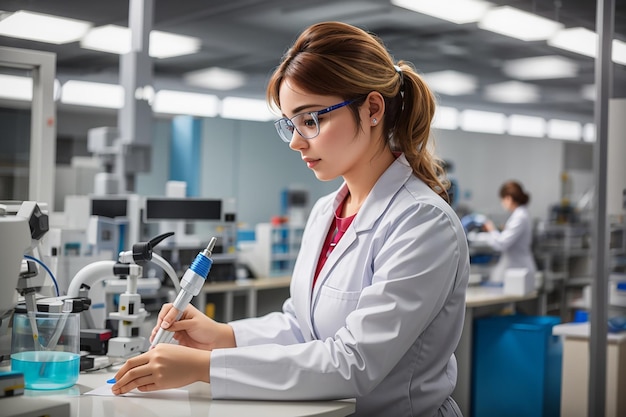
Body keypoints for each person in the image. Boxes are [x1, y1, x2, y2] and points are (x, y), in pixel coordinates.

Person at [111, 21, 470, 417]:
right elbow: (303, 327)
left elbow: (353, 362)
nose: (297, 141)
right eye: (290, 124)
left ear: (372, 109)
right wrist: (223, 336)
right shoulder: (327, 211)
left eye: (311, 119)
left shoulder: (422, 222)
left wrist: (205, 367)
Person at [483, 181, 537, 283]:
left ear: (508, 198)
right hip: (516, 268)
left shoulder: (520, 216)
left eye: (502, 200)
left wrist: (491, 230)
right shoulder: (520, 214)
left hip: (520, 270)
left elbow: (501, 244)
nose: (502, 203)